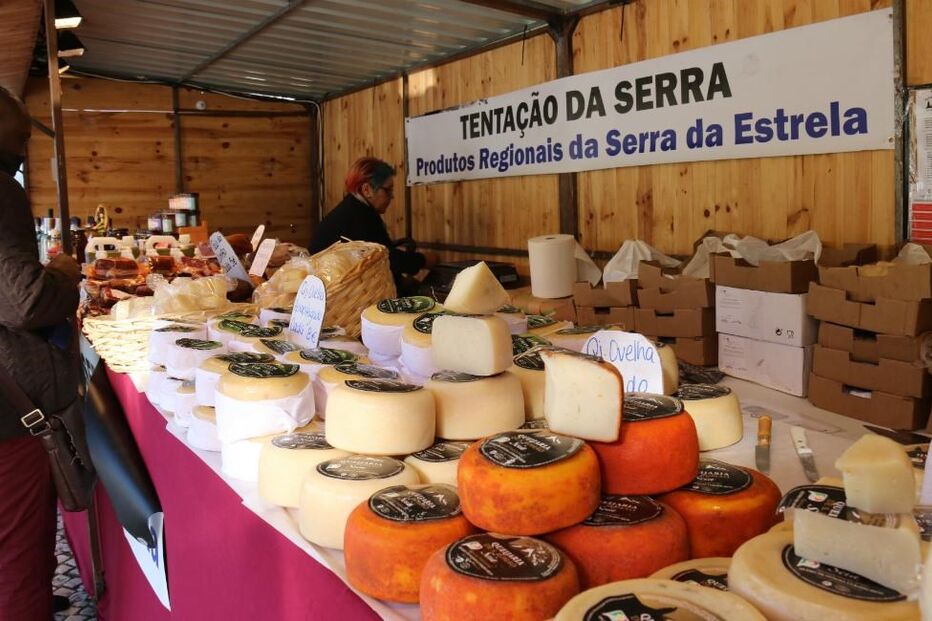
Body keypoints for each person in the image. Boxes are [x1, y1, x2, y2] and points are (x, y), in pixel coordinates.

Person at [0, 86, 82, 620]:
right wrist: (63, 274)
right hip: (7, 416)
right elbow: (24, 302)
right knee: (18, 560)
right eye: (22, 129)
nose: (27, 138)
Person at [311, 157, 433, 294]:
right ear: (367, 189)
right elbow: (385, 259)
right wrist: (423, 260)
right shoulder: (359, 216)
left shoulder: (351, 209)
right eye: (387, 191)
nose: (391, 197)